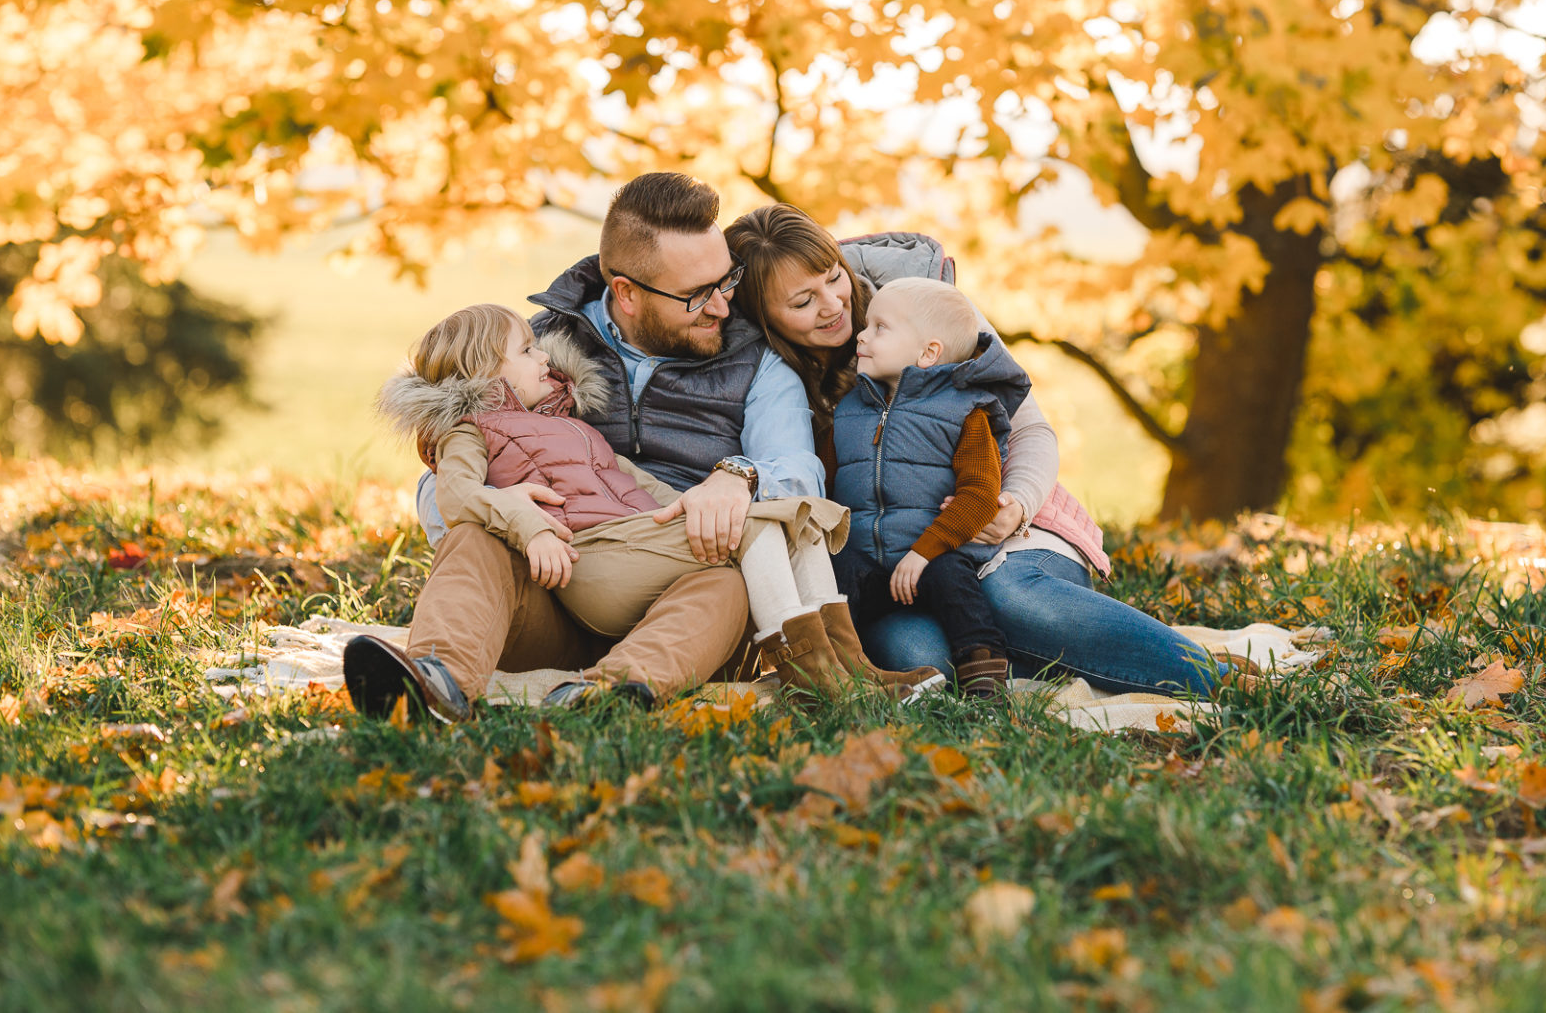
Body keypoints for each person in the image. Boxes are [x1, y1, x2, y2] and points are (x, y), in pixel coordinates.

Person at [344, 174, 916, 724]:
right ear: (627, 293)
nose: (722, 306)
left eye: (727, 281)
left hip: (691, 599)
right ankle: (433, 679)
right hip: (560, 585)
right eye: (697, 295)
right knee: (475, 534)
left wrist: (736, 476)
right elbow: (445, 479)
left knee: (731, 578)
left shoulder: (756, 361)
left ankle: (613, 692)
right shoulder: (539, 349)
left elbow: (797, 473)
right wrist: (510, 508)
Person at [725, 204, 1223, 696]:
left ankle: (1215, 681)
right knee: (919, 657)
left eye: (833, 277)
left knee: (1009, 596)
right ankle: (1028, 660)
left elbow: (1032, 431)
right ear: (765, 319)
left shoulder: (924, 310)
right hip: (899, 569)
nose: (833, 305)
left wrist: (1017, 503)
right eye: (802, 302)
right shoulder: (773, 378)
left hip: (1002, 534)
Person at [829, 278, 1026, 698]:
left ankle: (985, 675)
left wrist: (923, 552)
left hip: (933, 559)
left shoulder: (965, 413)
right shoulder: (849, 411)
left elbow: (978, 495)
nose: (861, 335)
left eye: (880, 327)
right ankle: (837, 670)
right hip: (872, 565)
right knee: (839, 571)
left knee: (952, 576)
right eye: (867, 325)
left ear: (928, 353)